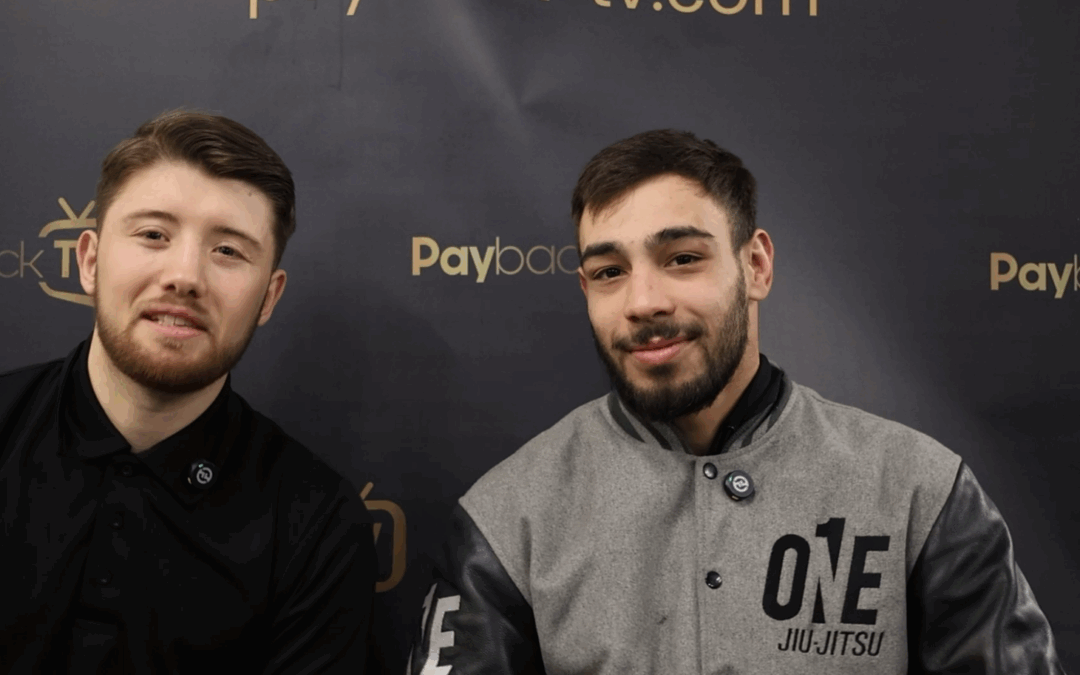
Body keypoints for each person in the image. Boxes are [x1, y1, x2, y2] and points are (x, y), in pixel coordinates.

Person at [408, 130, 1065, 673]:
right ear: (585, 287)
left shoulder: (919, 491)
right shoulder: (508, 517)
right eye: (610, 272)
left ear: (756, 266)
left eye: (682, 258)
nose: (644, 301)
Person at [0, 110, 377, 673]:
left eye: (228, 250)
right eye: (153, 234)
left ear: (269, 298)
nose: (185, 276)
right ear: (90, 260)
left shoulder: (317, 525)